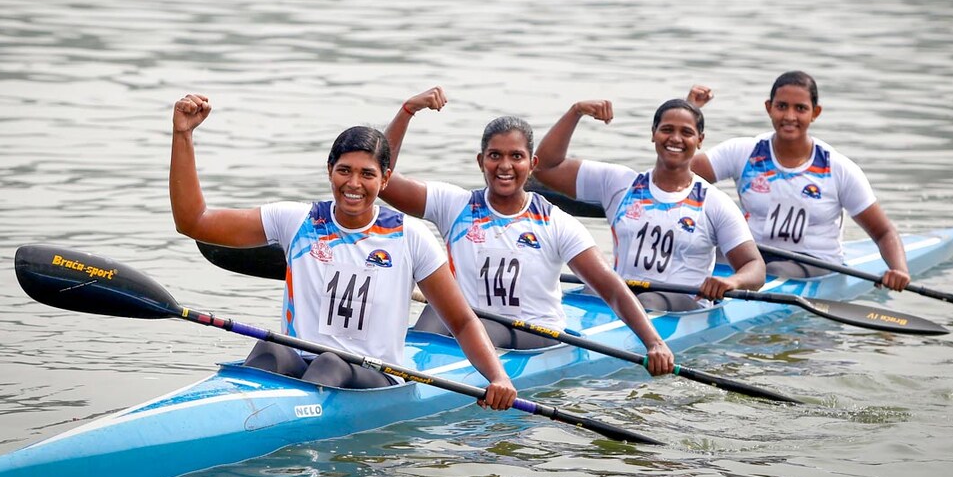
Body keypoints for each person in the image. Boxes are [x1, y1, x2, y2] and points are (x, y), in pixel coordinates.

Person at [169, 93, 516, 410]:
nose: (353, 184)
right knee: (270, 349)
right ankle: (234, 414)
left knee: (331, 361)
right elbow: (194, 222)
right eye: (344, 171)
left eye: (367, 174)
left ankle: (288, 433)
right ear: (329, 171)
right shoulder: (296, 221)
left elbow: (461, 320)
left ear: (384, 179)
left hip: (374, 378)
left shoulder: (410, 237)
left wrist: (498, 378)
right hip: (301, 364)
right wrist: (183, 136)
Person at [375, 87, 672, 376]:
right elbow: (383, 180)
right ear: (481, 162)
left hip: (535, 335)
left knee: (472, 323)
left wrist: (654, 342)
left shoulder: (555, 222)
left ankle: (424, 380)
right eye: (494, 156)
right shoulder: (454, 205)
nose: (505, 166)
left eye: (516, 156)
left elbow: (610, 287)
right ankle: (401, 377)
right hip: (472, 329)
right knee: (436, 314)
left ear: (532, 164)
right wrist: (407, 111)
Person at [532, 96, 766, 311]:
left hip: (683, 303)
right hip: (624, 297)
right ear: (653, 134)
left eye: (686, 132)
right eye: (667, 130)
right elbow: (545, 167)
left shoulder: (715, 203)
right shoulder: (618, 184)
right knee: (590, 288)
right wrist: (576, 112)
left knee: (644, 299)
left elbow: (754, 266)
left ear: (700, 140)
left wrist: (731, 281)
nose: (675, 138)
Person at [688, 71, 911, 290]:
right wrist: (690, 111)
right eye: (782, 106)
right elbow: (675, 173)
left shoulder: (838, 168)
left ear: (815, 113)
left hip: (813, 264)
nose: (790, 116)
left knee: (778, 268)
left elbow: (883, 232)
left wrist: (899, 270)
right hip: (753, 258)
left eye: (801, 108)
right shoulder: (744, 152)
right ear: (769, 108)